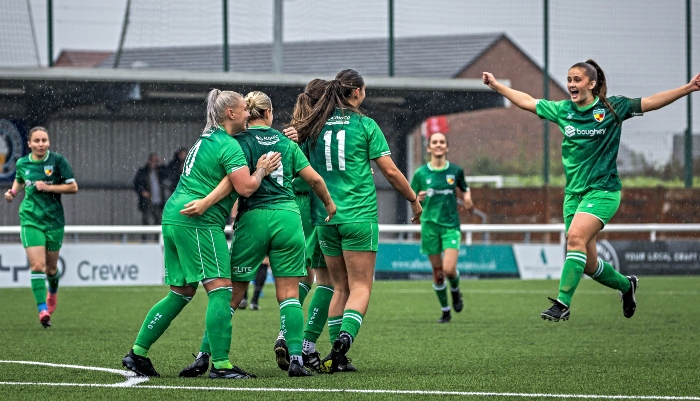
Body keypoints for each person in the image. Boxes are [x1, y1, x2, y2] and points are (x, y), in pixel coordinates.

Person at [483, 61, 700, 322]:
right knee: (588, 263)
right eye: (569, 79)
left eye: (577, 80)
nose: (571, 85)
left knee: (574, 238)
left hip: (603, 191)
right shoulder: (563, 110)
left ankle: (562, 302)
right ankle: (626, 285)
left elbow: (651, 101)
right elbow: (527, 101)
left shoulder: (613, 107)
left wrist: (688, 88)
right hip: (574, 195)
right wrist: (496, 86)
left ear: (592, 84)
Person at [121, 88, 281, 378]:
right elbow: (245, 186)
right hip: (198, 222)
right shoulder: (228, 146)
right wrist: (261, 170)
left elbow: (224, 182)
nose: (249, 113)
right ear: (230, 113)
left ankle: (137, 353)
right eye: (245, 108)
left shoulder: (206, 139)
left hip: (174, 216)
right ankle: (220, 365)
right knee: (221, 290)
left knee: (181, 292)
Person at [179, 90, 336, 378]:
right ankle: (297, 360)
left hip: (252, 219)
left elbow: (230, 181)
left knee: (229, 295)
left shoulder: (237, 142)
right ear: (270, 113)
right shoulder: (286, 143)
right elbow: (314, 179)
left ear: (248, 114)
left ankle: (205, 356)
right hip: (288, 218)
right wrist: (329, 204)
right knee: (289, 294)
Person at [294, 69, 422, 373]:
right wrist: (414, 201)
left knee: (339, 288)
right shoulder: (365, 125)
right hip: (359, 216)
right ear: (357, 92)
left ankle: (334, 353)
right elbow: (390, 172)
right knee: (361, 287)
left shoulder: (314, 126)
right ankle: (344, 341)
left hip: (325, 218)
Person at [273, 78, 336, 373]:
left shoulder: (293, 130)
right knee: (327, 281)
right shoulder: (322, 131)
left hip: (291, 208)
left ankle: (286, 333)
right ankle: (307, 344)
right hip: (315, 207)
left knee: (301, 277)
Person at [4, 126, 78, 328]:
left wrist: (49, 187)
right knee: (37, 266)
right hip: (30, 218)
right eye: (36, 141)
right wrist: (12, 192)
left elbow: (73, 187)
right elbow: (20, 180)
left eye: (43, 140)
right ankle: (42, 309)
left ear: (48, 142)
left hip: (54, 220)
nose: (40, 144)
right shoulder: (22, 163)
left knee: (51, 268)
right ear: (29, 144)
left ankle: (52, 292)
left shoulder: (58, 162)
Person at [410, 132, 474, 323]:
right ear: (429, 148)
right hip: (429, 226)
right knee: (438, 274)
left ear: (446, 147)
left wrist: (468, 197)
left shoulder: (455, 171)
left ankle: (455, 290)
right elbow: (411, 195)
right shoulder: (421, 174)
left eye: (442, 142)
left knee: (449, 269)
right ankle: (445, 311)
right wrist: (416, 199)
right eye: (434, 142)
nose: (438, 145)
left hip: (450, 226)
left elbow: (465, 187)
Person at [133, 153, 169, 225]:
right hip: (147, 201)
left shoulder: (159, 171)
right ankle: (145, 236)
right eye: (152, 160)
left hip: (158, 201)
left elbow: (168, 174)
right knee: (146, 220)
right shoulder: (143, 171)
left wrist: (162, 164)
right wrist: (142, 191)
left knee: (158, 221)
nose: (153, 163)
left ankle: (158, 236)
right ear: (149, 161)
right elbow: (137, 183)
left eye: (155, 161)